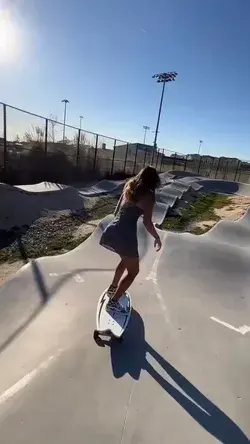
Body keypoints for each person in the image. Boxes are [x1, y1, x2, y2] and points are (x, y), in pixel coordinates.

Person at [99, 166, 162, 314]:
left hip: (113, 229)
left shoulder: (130, 185)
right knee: (134, 271)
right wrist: (157, 237)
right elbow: (147, 223)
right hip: (127, 235)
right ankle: (113, 303)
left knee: (125, 261)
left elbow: (116, 210)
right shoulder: (149, 196)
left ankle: (113, 288)